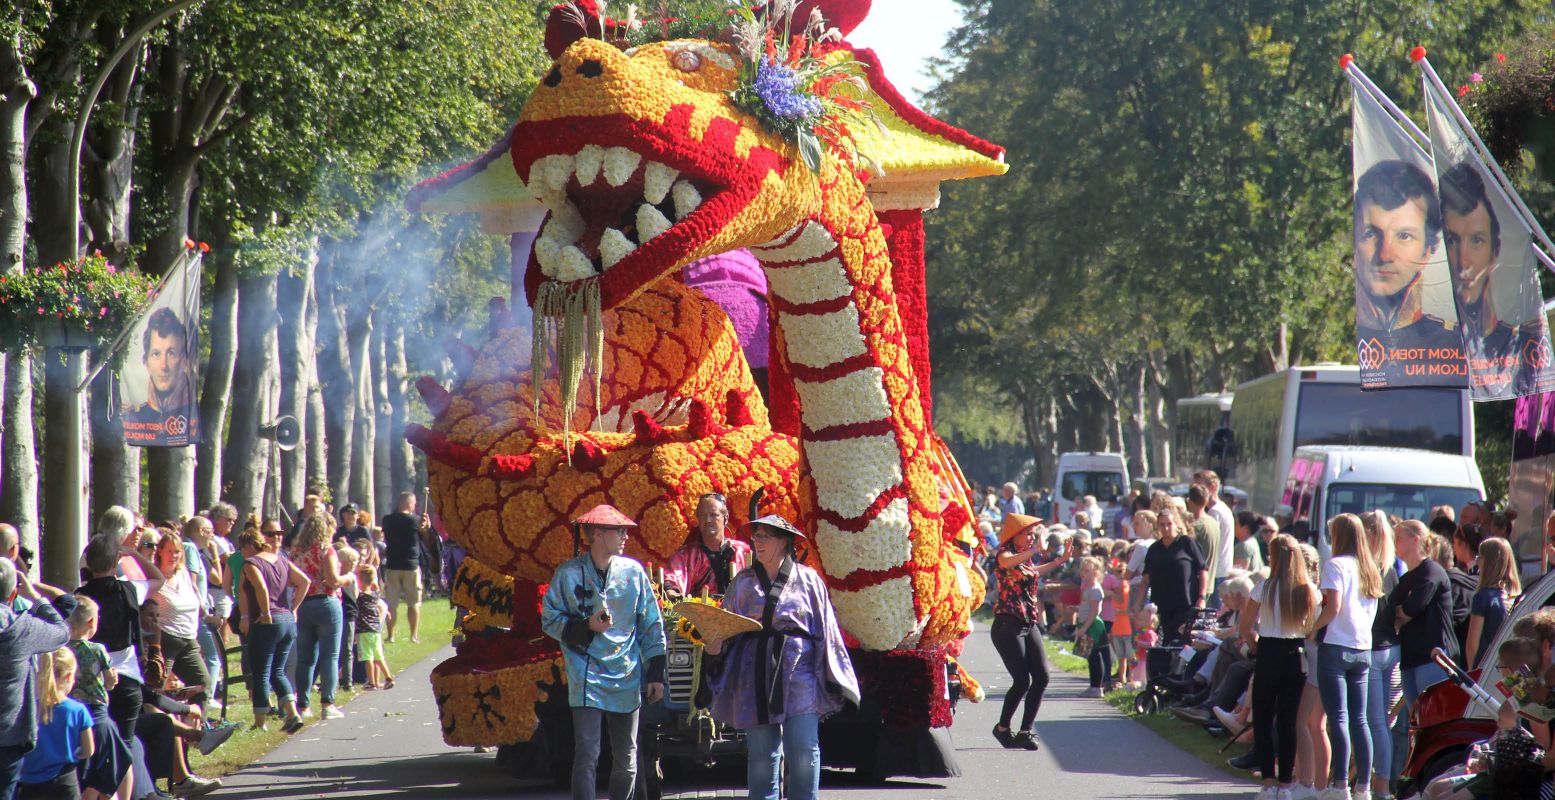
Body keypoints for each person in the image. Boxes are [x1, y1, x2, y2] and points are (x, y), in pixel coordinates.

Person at [704, 513, 857, 800]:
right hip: (755, 673)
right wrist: (715, 647)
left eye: (765, 536)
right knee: (762, 755)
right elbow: (725, 628)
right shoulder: (743, 582)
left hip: (800, 673)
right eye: (756, 536)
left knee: (803, 749)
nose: (757, 542)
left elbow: (827, 630)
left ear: (784, 542)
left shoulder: (809, 580)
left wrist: (836, 676)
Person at [540, 505, 666, 800]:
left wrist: (657, 673)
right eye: (618, 530)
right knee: (587, 752)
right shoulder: (568, 574)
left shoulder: (634, 573)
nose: (625, 536)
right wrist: (585, 627)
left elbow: (651, 624)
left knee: (628, 757)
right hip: (585, 674)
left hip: (627, 672)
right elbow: (549, 620)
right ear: (597, 534)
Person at [1439, 161, 1553, 393]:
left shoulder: (1522, 342)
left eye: (1477, 241)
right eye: (1452, 241)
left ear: (1495, 251)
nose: (1463, 261)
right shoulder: (1428, 344)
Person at [1352, 160, 1461, 373]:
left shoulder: (1455, 347)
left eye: (1404, 236)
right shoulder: (1328, 336)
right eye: (1371, 234)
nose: (1385, 255)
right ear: (1353, 242)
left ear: (1427, 250)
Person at [1240, 534, 1318, 800]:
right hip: (1296, 655)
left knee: (1262, 718)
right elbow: (1316, 626)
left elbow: (1245, 626)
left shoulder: (1264, 586)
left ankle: (1268, 782)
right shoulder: (1307, 588)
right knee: (1288, 720)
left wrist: (1254, 644)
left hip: (1269, 651)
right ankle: (1286, 784)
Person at [1312, 514, 1384, 800]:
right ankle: (1363, 786)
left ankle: (1340, 784)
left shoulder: (1335, 565)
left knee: (1338, 718)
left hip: (1336, 644)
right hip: (1362, 646)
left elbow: (1332, 607)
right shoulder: (1370, 568)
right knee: (1360, 719)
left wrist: (1311, 627)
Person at [74, 532, 161, 746]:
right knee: (125, 742)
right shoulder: (129, 590)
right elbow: (159, 579)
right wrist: (132, 553)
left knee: (94, 743)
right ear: (116, 560)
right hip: (127, 675)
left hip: (90, 678)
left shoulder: (79, 597)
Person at [0, 557, 74, 800]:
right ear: (13, 594)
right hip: (9, 737)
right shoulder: (23, 628)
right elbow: (62, 632)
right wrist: (35, 596)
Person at [239, 526, 310, 733]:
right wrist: (294, 608)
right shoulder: (281, 560)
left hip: (267, 623)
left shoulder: (252, 563)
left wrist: (264, 612)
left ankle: (260, 722)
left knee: (261, 672)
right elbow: (304, 581)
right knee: (278, 671)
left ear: (249, 546)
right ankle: (292, 713)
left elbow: (260, 587)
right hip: (287, 619)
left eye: (242, 548)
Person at [64, 599, 133, 800]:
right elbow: (110, 682)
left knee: (86, 766)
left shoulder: (62, 649)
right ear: (92, 622)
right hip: (97, 713)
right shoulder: (97, 649)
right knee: (120, 760)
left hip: (72, 713)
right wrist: (111, 679)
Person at [1360, 510, 1401, 800]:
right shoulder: (1390, 568)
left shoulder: (1368, 568)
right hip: (1390, 647)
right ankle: (1379, 785)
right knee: (1381, 722)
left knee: (1373, 721)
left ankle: (1380, 787)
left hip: (1374, 648)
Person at [16, 648, 93, 800]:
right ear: (69, 676)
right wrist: (73, 753)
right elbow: (89, 750)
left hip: (30, 782)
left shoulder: (28, 709)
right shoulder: (78, 710)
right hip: (64, 781)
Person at [291, 515, 346, 721]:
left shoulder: (296, 552)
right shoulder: (326, 549)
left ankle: (303, 704)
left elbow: (290, 580)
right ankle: (327, 703)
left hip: (304, 604)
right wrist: (347, 578)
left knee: (305, 658)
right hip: (326, 602)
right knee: (329, 656)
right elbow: (333, 580)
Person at [152, 530, 210, 709]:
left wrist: (207, 614)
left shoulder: (183, 573)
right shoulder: (154, 578)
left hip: (188, 639)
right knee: (158, 687)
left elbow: (196, 597)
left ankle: (196, 729)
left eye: (177, 551)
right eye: (169, 551)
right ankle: (162, 728)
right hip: (166, 639)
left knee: (202, 683)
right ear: (160, 551)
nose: (173, 556)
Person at [122, 307, 197, 438]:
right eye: (156, 354)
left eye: (171, 353)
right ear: (146, 362)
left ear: (184, 361)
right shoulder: (133, 418)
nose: (164, 365)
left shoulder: (194, 413)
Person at [663, 493, 752, 597]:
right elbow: (671, 581)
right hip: (698, 612)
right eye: (703, 515)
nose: (708, 520)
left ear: (726, 518)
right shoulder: (685, 555)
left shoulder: (743, 551)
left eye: (714, 515)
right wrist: (671, 592)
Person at [1141, 508, 1208, 645]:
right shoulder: (1154, 549)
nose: (1165, 528)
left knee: (1183, 643)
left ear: (1176, 524)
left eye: (1169, 524)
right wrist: (1138, 604)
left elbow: (1202, 570)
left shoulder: (1186, 543)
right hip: (1161, 607)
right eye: (1162, 524)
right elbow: (1146, 579)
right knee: (1163, 644)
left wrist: (1202, 597)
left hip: (1185, 605)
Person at [381, 492, 430, 643]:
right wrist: (426, 526)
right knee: (413, 602)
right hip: (411, 565)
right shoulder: (415, 520)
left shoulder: (387, 520)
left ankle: (391, 635)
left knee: (391, 603)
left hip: (392, 565)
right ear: (410, 504)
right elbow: (425, 537)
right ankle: (413, 635)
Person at [1465, 537, 1519, 670]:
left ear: (1489, 562)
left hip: (1486, 666)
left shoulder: (1483, 597)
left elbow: (1472, 643)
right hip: (1510, 664)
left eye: (1480, 557)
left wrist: (1472, 670)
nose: (1477, 561)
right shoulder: (1516, 595)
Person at [1195, 471, 1237, 599]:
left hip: (1216, 574)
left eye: (1200, 487)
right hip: (1222, 571)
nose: (1197, 492)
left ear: (1212, 487)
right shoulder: (1223, 508)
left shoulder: (1215, 512)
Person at [1075, 556, 1112, 698]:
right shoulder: (1087, 587)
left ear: (1096, 572)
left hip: (1092, 625)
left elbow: (1095, 610)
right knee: (1089, 656)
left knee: (1095, 655)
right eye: (1082, 570)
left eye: (1087, 570)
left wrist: (1085, 627)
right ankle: (1093, 685)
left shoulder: (1096, 589)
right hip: (1085, 623)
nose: (1083, 573)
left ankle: (1097, 687)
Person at [1184, 486, 1222, 608]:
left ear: (1190, 501)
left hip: (1197, 586)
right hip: (1209, 583)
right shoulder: (1213, 523)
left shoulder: (1196, 527)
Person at [355, 567, 392, 689]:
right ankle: (388, 677)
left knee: (368, 657)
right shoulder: (375, 595)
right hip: (376, 630)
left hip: (364, 630)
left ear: (359, 580)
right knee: (379, 656)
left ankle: (371, 682)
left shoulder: (360, 597)